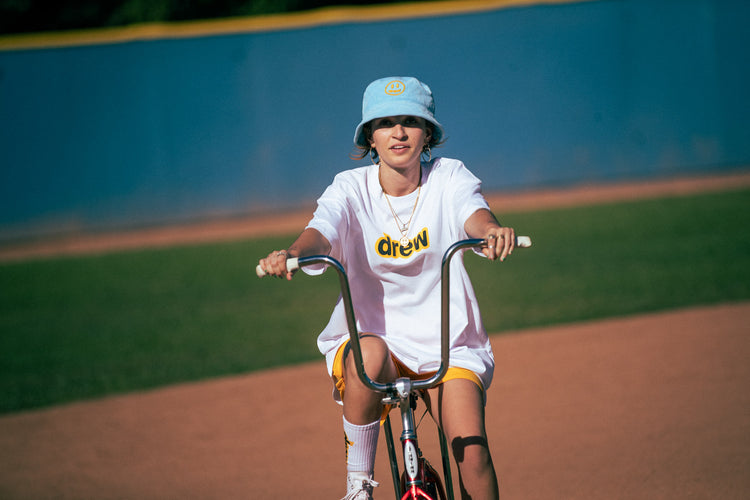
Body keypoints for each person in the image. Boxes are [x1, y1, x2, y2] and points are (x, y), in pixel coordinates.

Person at [258, 76, 515, 500]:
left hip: (448, 342)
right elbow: (320, 231)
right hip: (379, 340)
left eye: (411, 121)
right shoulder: (350, 188)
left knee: (473, 454)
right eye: (385, 123)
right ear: (370, 137)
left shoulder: (449, 176)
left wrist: (490, 232)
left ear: (427, 132)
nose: (398, 132)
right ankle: (359, 486)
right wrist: (293, 253)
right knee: (368, 351)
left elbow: (475, 213)